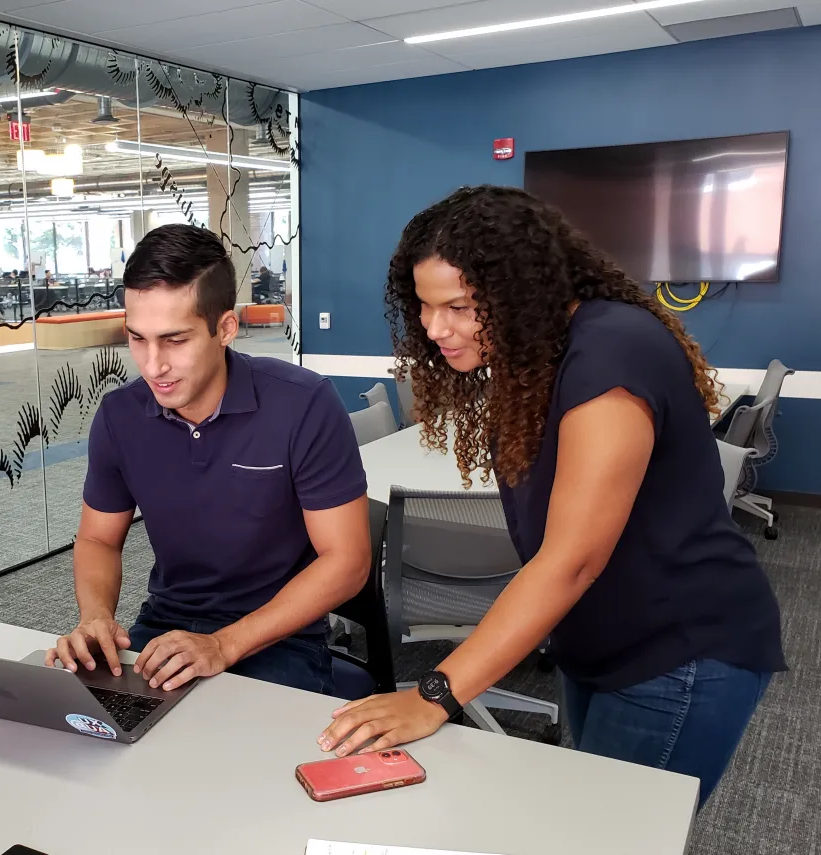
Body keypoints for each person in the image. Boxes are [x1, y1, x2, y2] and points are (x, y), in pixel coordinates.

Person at [316, 186, 785, 808]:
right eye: (426, 308)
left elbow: (573, 559)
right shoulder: (539, 350)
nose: (434, 329)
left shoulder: (609, 352)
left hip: (679, 651)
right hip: (599, 638)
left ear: (520, 289)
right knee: (584, 820)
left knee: (614, 836)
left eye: (457, 306)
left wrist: (434, 694)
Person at [46, 223, 371, 694]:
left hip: (279, 635)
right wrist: (96, 617)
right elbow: (98, 539)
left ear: (225, 329)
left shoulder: (303, 404)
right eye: (137, 338)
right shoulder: (121, 417)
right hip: (166, 626)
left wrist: (223, 644)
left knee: (232, 758)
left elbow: (347, 561)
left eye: (175, 340)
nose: (152, 364)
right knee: (92, 733)